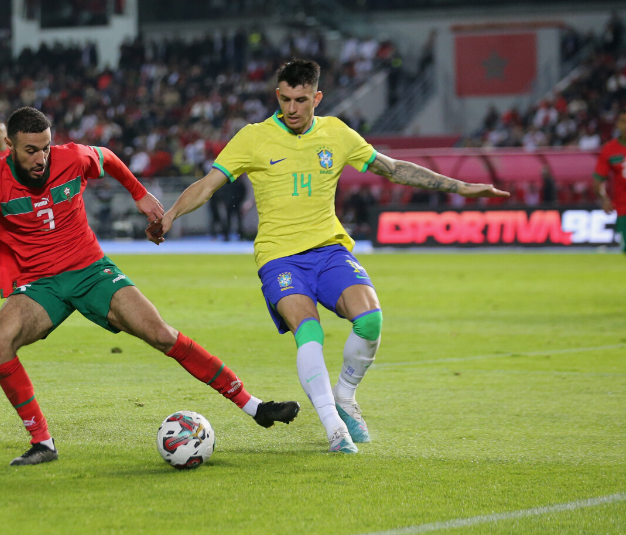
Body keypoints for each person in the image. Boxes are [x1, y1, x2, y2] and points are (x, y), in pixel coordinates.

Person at [149, 60, 508, 453]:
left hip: (329, 250)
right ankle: (334, 426)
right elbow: (207, 185)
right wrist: (169, 216)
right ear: (277, 96)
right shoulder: (254, 138)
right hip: (280, 257)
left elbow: (392, 168)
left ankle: (345, 395)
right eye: (285, 99)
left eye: (301, 100)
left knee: (370, 320)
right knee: (309, 331)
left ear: (316, 97)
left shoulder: (336, 134)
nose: (291, 108)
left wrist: (461, 187)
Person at [0, 107, 300, 466]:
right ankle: (42, 443)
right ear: (9, 145)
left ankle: (255, 407)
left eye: (45, 148)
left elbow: (109, 158)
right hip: (39, 285)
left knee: (162, 334)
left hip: (91, 271)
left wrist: (139, 193)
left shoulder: (71, 156)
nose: (40, 158)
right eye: (30, 150)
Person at [595, 111, 626, 255]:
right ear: (618, 124)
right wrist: (604, 198)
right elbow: (598, 179)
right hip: (623, 208)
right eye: (623, 121)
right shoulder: (609, 150)